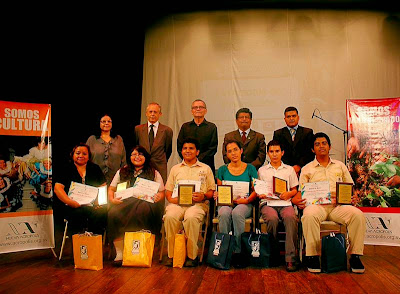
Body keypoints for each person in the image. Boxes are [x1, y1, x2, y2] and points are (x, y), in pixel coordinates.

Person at [291, 132, 366, 274]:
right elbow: (302, 192)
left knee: (358, 215)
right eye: (317, 144)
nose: (321, 146)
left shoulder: (340, 166)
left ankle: (355, 256)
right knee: (308, 215)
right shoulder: (307, 169)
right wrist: (297, 200)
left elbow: (349, 188)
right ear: (313, 149)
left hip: (338, 207)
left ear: (329, 146)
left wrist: (351, 197)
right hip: (317, 207)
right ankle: (312, 256)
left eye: (324, 143)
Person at [163, 137, 216, 267]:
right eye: (185, 148)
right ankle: (173, 254)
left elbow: (211, 191)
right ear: (181, 151)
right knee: (170, 216)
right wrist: (171, 199)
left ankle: (192, 256)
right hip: (177, 204)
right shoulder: (175, 169)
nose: (188, 151)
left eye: (191, 148)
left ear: (197, 152)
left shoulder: (206, 168)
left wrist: (203, 196)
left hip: (197, 205)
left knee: (191, 218)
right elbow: (168, 192)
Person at [107, 145, 165, 262]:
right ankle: (120, 252)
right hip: (124, 202)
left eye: (140, 154)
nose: (137, 157)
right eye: (134, 154)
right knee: (113, 212)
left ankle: (139, 249)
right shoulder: (122, 171)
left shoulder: (154, 172)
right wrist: (112, 200)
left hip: (145, 202)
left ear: (146, 157)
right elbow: (111, 189)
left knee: (142, 210)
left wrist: (159, 196)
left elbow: (162, 192)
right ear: (129, 157)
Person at [214, 139, 258, 267]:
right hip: (226, 203)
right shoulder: (222, 170)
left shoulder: (251, 168)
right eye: (229, 151)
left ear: (241, 151)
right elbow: (220, 190)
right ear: (226, 154)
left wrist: (247, 200)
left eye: (235, 150)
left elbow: (256, 190)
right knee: (223, 213)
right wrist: (218, 194)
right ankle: (225, 250)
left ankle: (239, 252)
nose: (233, 153)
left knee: (237, 213)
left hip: (245, 203)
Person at [257, 140, 299, 271]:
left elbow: (295, 189)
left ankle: (290, 258)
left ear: (282, 153)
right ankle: (273, 254)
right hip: (268, 203)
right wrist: (261, 194)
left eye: (277, 151)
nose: (274, 154)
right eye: (271, 152)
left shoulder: (289, 169)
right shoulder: (262, 170)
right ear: (268, 153)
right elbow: (259, 189)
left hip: (285, 203)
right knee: (272, 219)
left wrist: (289, 194)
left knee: (291, 218)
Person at [54, 143, 107, 234]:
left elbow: (102, 186)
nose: (81, 156)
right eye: (78, 153)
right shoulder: (66, 168)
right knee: (77, 214)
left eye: (84, 154)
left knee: (101, 213)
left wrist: (100, 202)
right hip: (72, 205)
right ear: (73, 154)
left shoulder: (95, 168)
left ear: (89, 156)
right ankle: (79, 244)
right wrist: (70, 202)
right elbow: (57, 188)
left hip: (92, 205)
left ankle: (94, 243)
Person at [135, 103, 173, 183]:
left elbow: (168, 150)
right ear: (146, 113)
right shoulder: (138, 129)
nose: (152, 114)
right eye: (150, 112)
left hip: (159, 166)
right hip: (142, 166)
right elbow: (136, 147)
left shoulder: (167, 130)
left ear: (160, 114)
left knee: (159, 192)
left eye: (155, 112)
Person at [177, 99, 218, 174]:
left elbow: (213, 148)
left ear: (205, 111)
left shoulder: (212, 127)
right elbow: (180, 147)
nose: (198, 109)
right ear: (191, 111)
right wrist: (190, 159)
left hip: (206, 165)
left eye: (201, 107)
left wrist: (197, 160)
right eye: (195, 107)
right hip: (187, 165)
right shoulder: (185, 127)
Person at [86, 114, 127, 185]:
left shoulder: (118, 139)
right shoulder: (92, 139)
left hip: (115, 180)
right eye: (103, 121)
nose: (106, 123)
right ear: (99, 123)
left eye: (109, 121)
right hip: (95, 179)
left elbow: (123, 160)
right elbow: (86, 159)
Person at [273, 106, 314, 176]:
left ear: (298, 117)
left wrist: (299, 166)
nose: (291, 119)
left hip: (305, 169)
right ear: (284, 119)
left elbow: (310, 152)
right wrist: (290, 168)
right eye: (288, 117)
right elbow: (277, 152)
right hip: (284, 170)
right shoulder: (278, 133)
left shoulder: (307, 132)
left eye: (293, 116)